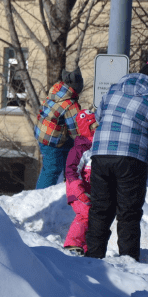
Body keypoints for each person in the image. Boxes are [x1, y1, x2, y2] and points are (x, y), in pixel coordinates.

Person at [85, 57, 148, 262]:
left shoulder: (112, 92)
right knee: (128, 211)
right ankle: (129, 260)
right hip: (131, 160)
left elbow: (98, 118)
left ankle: (93, 257)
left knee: (99, 208)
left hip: (101, 155)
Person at [33, 69, 83, 189]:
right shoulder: (70, 103)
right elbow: (75, 130)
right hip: (51, 140)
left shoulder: (57, 92)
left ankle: (68, 180)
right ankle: (40, 196)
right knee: (52, 168)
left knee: (69, 150)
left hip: (42, 133)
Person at [62, 110, 97, 256]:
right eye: (93, 127)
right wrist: (78, 189)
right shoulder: (80, 149)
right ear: (86, 128)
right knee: (85, 214)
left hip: (89, 190)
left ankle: (84, 246)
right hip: (76, 189)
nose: (97, 130)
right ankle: (72, 243)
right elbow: (71, 170)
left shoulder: (95, 147)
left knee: (92, 217)